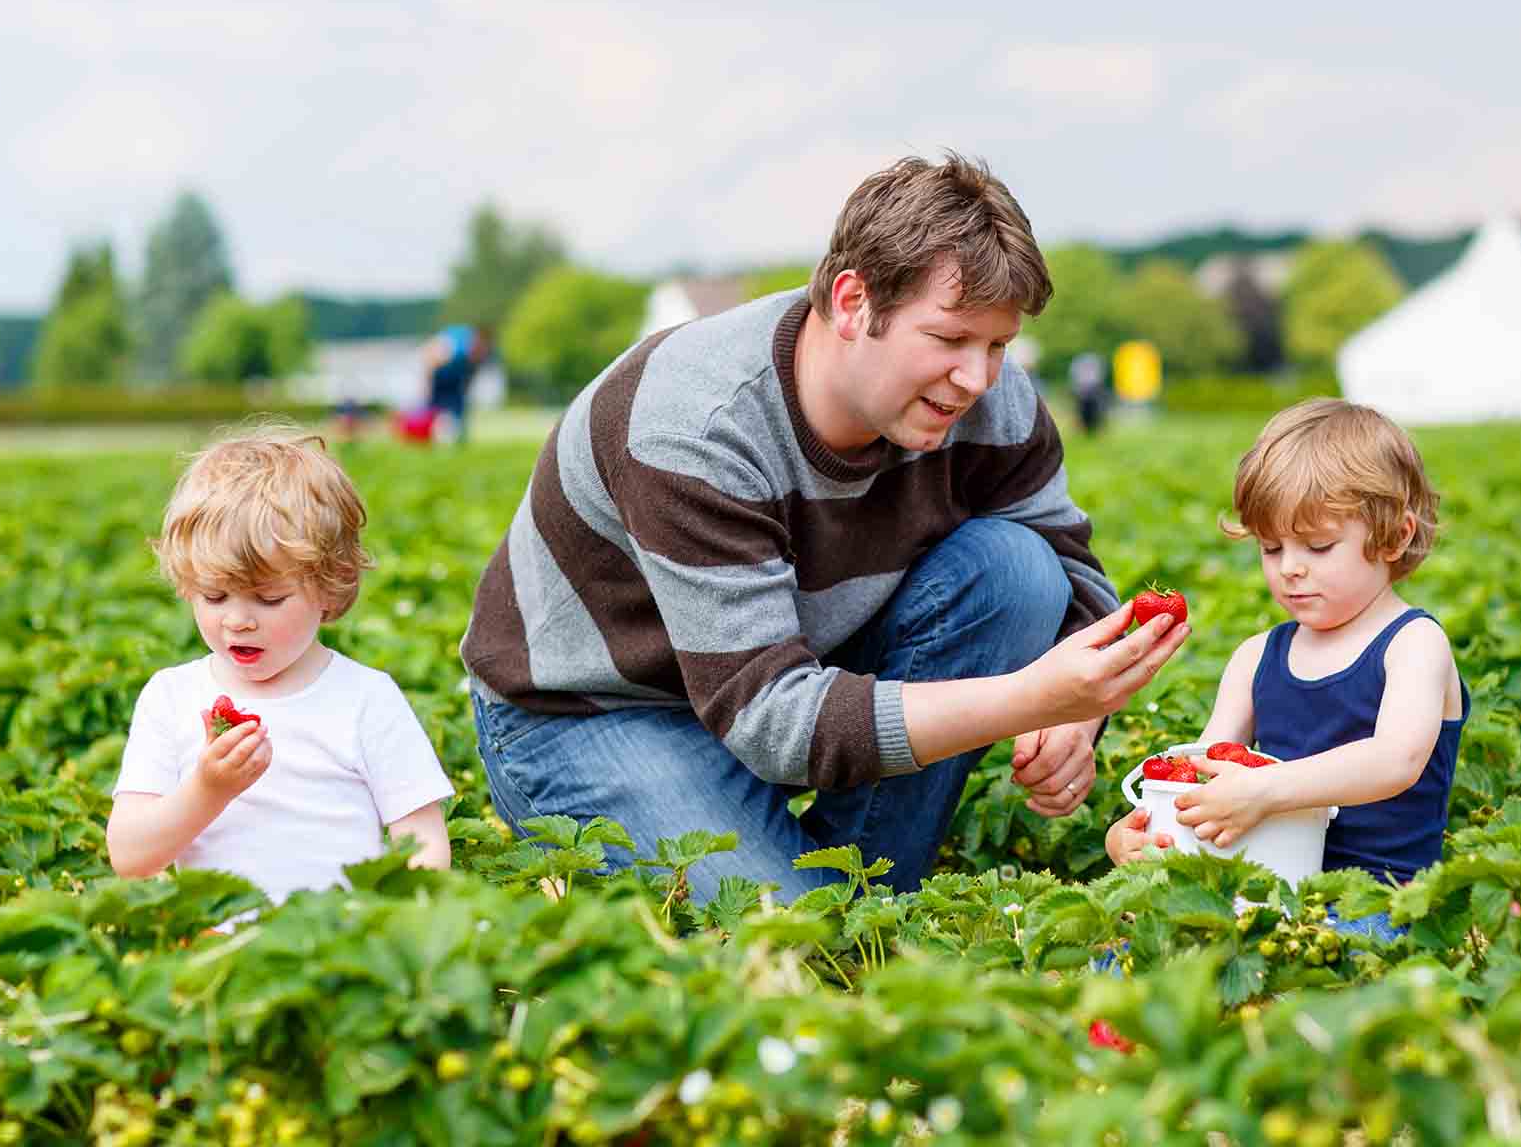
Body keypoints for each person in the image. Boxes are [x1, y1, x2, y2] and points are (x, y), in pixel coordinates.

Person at [462, 154, 1190, 903]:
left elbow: (1074, 576)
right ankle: (829, 891)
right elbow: (771, 718)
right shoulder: (693, 425)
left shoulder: (990, 402)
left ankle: (859, 886)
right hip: (601, 712)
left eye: (997, 344)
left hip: (793, 667)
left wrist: (1080, 719)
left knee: (1019, 570)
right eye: (948, 339)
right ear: (851, 303)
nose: (977, 378)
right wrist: (1034, 698)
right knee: (795, 944)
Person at [1105, 398, 1469, 941]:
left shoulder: (1414, 644)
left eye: (1318, 546)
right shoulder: (1256, 656)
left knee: (1324, 974)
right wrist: (1145, 830)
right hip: (1261, 895)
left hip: (1379, 902)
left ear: (1394, 536)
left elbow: (1397, 759)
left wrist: (1267, 789)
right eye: (1272, 548)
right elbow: (1200, 773)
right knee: (1135, 952)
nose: (1291, 568)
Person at [107, 426, 454, 907]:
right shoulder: (171, 697)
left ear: (331, 587)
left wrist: (392, 920)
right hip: (214, 948)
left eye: (269, 598)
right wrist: (209, 790)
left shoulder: (366, 698)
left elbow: (422, 841)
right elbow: (129, 855)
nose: (237, 620)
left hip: (337, 945)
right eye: (214, 595)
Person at [421, 324, 492, 444]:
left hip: (456, 383)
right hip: (439, 376)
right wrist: (427, 390)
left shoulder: (480, 354)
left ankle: (455, 437)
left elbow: (471, 374)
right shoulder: (455, 344)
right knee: (433, 414)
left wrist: (465, 394)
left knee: (457, 421)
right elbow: (430, 362)